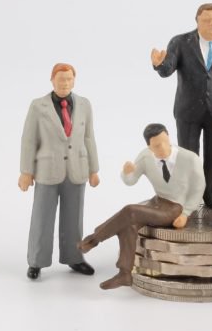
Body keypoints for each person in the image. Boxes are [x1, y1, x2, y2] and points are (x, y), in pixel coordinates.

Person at [79, 124, 205, 290]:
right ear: (149, 147)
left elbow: (199, 188)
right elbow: (130, 181)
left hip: (176, 207)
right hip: (157, 201)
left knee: (130, 211)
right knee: (128, 226)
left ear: (169, 137)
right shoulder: (146, 157)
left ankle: (93, 239)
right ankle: (124, 274)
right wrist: (126, 172)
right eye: (156, 146)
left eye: (165, 142)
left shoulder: (190, 158)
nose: (163, 148)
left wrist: (186, 213)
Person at [151, 3, 212, 209]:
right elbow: (168, 69)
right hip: (188, 111)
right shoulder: (181, 42)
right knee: (188, 157)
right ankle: (188, 196)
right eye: (207, 20)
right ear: (197, 22)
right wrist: (159, 64)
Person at [18, 63, 100, 280]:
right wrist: (26, 171)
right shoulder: (38, 106)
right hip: (47, 170)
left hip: (76, 169)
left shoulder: (84, 104)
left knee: (74, 218)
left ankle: (74, 257)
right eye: (61, 79)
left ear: (74, 80)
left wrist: (94, 169)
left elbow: (89, 137)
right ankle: (36, 260)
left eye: (69, 79)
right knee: (42, 217)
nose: (65, 83)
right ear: (52, 80)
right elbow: (29, 140)